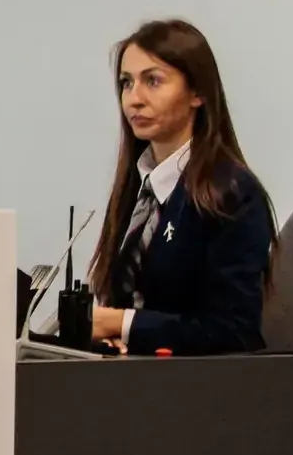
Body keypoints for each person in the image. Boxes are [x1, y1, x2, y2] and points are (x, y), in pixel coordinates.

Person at [84, 19, 273, 357]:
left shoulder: (231, 193)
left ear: (197, 94)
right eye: (126, 83)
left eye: (153, 81)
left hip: (196, 391)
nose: (134, 99)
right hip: (133, 377)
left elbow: (233, 332)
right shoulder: (139, 187)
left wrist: (120, 323)